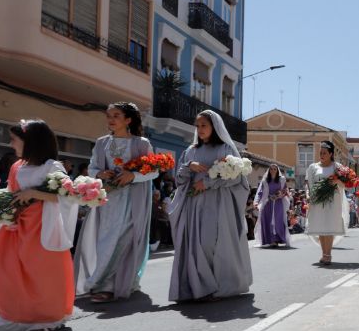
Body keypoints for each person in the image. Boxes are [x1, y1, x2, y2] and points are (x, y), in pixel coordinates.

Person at [0, 121, 79, 331]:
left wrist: (34, 193)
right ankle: (11, 317)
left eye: (14, 139)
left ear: (30, 142)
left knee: (40, 274)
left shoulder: (52, 167)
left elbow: (67, 195)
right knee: (5, 270)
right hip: (16, 228)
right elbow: (9, 192)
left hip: (41, 228)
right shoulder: (17, 166)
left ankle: (45, 317)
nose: (11, 143)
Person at [74, 102, 156, 303]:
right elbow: (92, 168)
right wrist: (100, 173)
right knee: (104, 241)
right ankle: (101, 280)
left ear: (128, 120)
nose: (110, 120)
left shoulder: (141, 143)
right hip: (107, 201)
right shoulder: (101, 143)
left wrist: (133, 176)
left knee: (123, 241)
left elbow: (154, 171)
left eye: (116, 116)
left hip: (132, 202)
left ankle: (109, 285)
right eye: (109, 116)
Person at [168, 110, 252, 302]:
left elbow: (237, 177)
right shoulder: (190, 151)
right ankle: (199, 288)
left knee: (210, 243)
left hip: (217, 203)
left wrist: (207, 183)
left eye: (204, 125)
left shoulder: (226, 149)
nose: (200, 129)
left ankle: (216, 285)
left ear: (214, 126)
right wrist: (189, 166)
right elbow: (179, 180)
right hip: (194, 204)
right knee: (193, 245)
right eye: (197, 126)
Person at [305, 141, 348, 265]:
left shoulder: (337, 167)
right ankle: (324, 254)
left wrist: (336, 182)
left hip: (332, 202)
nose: (322, 155)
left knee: (329, 228)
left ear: (331, 154)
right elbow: (310, 184)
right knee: (321, 229)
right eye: (320, 153)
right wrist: (309, 196)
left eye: (324, 153)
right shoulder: (313, 167)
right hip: (318, 201)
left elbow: (345, 184)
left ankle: (328, 255)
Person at [255, 165, 289, 248]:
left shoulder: (282, 179)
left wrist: (278, 195)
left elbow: (285, 190)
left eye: (275, 169)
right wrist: (256, 202)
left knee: (277, 220)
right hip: (267, 203)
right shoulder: (265, 180)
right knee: (268, 220)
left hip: (278, 203)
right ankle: (271, 240)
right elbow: (260, 192)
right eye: (271, 169)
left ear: (277, 170)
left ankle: (277, 239)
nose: (273, 170)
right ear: (269, 170)